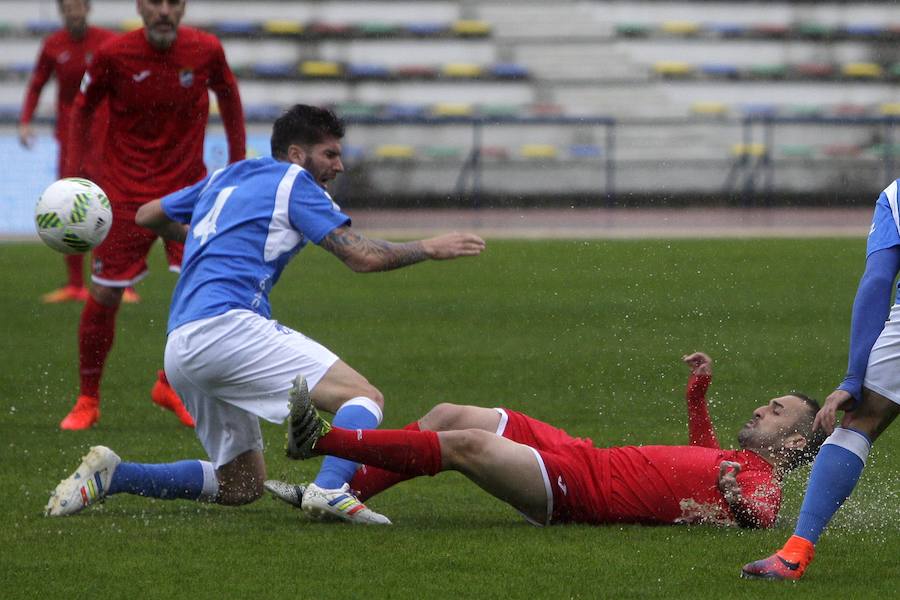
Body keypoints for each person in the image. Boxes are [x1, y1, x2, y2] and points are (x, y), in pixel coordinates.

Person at [44, 104, 486, 524]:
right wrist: (428, 247)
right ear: (296, 154)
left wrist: (199, 238)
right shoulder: (294, 182)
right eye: (330, 154)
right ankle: (330, 488)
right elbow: (363, 257)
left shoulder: (228, 175)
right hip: (228, 327)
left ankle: (115, 476)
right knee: (363, 397)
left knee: (241, 484)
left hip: (182, 345)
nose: (339, 165)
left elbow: (148, 214)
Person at [268, 352, 826, 528]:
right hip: (581, 454)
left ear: (796, 447)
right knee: (448, 414)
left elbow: (764, 514)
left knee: (467, 445)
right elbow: (707, 455)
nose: (761, 408)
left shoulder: (759, 480)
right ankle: (337, 493)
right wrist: (697, 396)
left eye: (776, 411)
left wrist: (737, 502)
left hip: (583, 491)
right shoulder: (731, 461)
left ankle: (320, 441)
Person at [58, 0, 246, 431]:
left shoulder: (206, 50)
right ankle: (88, 399)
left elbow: (230, 100)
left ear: (182, 8)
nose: (164, 11)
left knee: (205, 292)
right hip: (125, 194)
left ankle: (170, 385)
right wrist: (75, 177)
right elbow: (81, 109)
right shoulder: (113, 55)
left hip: (188, 192)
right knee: (105, 294)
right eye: (155, 2)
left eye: (173, 3)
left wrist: (236, 167)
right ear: (140, 7)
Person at [742, 180, 900, 580]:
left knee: (860, 421)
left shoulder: (896, 195)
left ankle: (793, 554)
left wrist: (852, 378)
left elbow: (879, 282)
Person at [17, 0, 130, 304]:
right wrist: (25, 121)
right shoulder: (53, 45)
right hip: (70, 138)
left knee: (109, 204)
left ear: (87, 8)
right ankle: (75, 284)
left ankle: (118, 280)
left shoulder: (107, 41)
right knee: (66, 203)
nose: (74, 11)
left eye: (78, 5)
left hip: (104, 135)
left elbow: (125, 82)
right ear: (62, 10)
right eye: (68, 6)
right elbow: (36, 84)